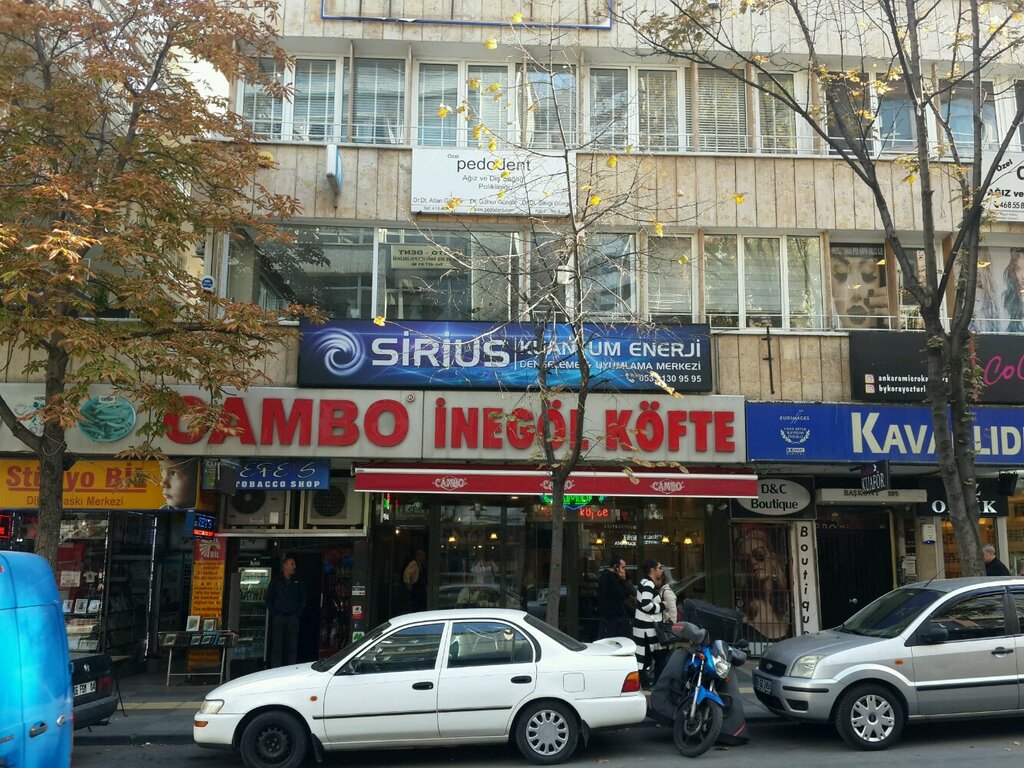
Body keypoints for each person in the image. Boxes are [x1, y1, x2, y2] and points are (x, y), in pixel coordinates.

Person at [265, 556, 306, 667]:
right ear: (285, 566)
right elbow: (268, 599)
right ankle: (275, 669)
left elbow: (303, 600)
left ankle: (291, 669)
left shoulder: (298, 582)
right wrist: (275, 614)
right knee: (277, 646)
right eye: (292, 564)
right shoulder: (276, 582)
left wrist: (297, 614)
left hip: (293, 618)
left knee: (292, 646)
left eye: (294, 564)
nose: (294, 567)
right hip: (279, 617)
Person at [633, 559, 663, 687]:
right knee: (660, 657)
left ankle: (646, 682)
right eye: (659, 568)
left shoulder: (645, 582)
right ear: (652, 570)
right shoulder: (648, 584)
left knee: (644, 657)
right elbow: (646, 605)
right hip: (647, 628)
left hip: (643, 627)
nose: (661, 571)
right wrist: (662, 606)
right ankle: (658, 684)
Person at [596, 556, 632, 639]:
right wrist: (622, 580)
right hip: (611, 620)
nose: (624, 570)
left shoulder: (612, 577)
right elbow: (621, 595)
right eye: (623, 568)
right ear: (616, 567)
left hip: (615, 619)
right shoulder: (608, 578)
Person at [652, 567, 678, 682]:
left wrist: (670, 629)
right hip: (663, 631)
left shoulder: (666, 593)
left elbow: (673, 614)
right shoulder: (661, 591)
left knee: (665, 659)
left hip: (666, 632)